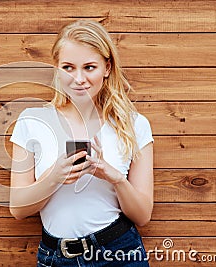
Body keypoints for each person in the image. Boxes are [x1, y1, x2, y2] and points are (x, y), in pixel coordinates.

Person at [9, 20, 154, 266]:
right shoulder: (31, 121)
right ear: (56, 68)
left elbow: (142, 215)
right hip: (56, 257)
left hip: (118, 253)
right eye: (68, 67)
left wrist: (114, 176)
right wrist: (54, 177)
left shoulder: (135, 125)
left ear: (106, 68)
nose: (79, 78)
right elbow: (18, 209)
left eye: (89, 67)